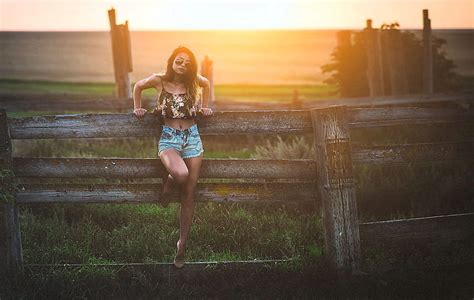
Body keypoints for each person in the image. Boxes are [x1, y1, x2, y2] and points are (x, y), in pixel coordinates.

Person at [132, 46, 213, 268]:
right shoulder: (159, 80)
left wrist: (205, 106)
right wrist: (137, 108)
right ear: (172, 61)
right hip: (169, 139)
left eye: (188, 62)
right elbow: (138, 86)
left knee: (188, 195)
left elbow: (207, 83)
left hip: (193, 138)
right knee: (181, 173)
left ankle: (181, 246)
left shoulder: (194, 81)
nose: (183, 64)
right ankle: (170, 180)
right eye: (180, 60)